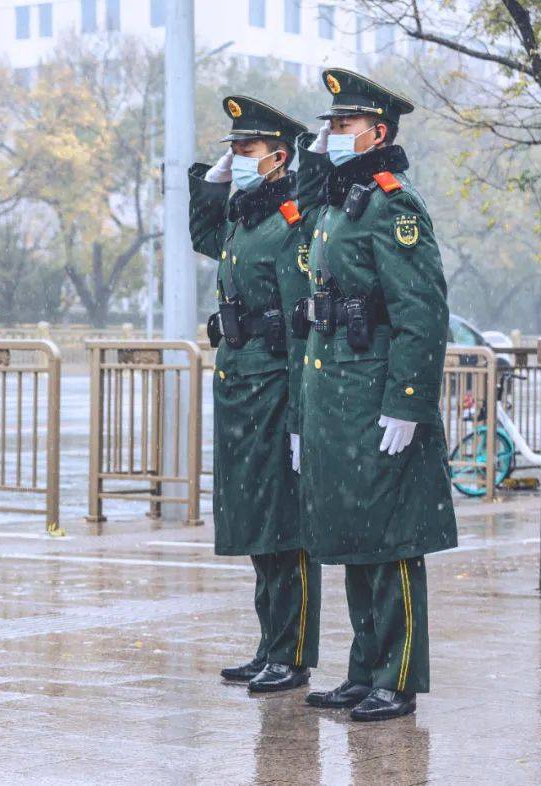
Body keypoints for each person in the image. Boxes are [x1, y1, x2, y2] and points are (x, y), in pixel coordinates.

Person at [293, 69, 457, 721]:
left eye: (343, 125)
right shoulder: (342, 201)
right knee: (355, 536)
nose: (331, 134)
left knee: (391, 542)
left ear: (378, 132)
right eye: (329, 124)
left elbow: (423, 311)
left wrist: (407, 401)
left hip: (380, 395)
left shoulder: (393, 203)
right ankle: (364, 671)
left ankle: (399, 676)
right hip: (338, 397)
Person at [189, 96, 320, 693]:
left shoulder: (291, 222)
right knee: (254, 525)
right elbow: (202, 235)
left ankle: (291, 654)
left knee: (283, 527)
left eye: (247, 149)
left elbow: (301, 331)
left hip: (272, 387)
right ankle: (268, 644)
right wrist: (213, 181)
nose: (237, 157)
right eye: (233, 149)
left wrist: (299, 415)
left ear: (279, 157)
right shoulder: (245, 217)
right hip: (240, 385)